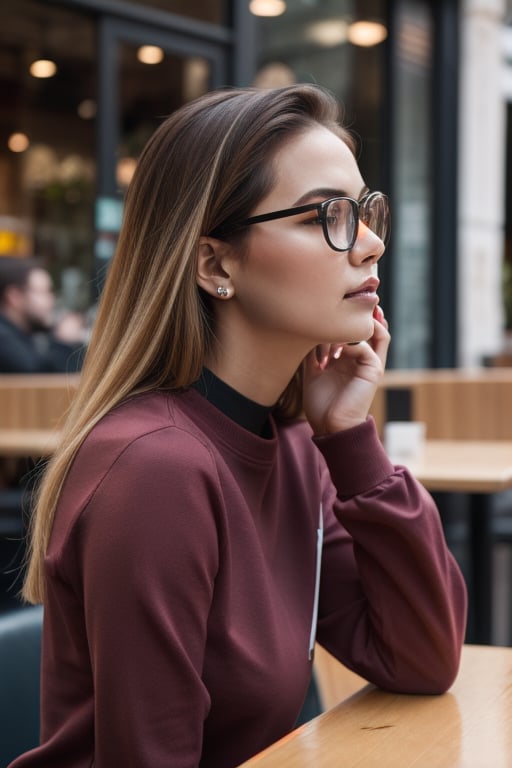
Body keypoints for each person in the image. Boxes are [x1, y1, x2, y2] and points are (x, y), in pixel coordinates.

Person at [9, 84, 467, 768]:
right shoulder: (156, 470)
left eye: (367, 212)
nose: (370, 245)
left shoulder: (292, 447)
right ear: (215, 264)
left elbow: (421, 657)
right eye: (325, 217)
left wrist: (349, 440)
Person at [0, 256, 86, 373]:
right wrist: (63, 342)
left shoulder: (28, 334)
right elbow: (35, 374)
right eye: (43, 292)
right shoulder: (4, 339)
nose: (52, 299)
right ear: (15, 296)